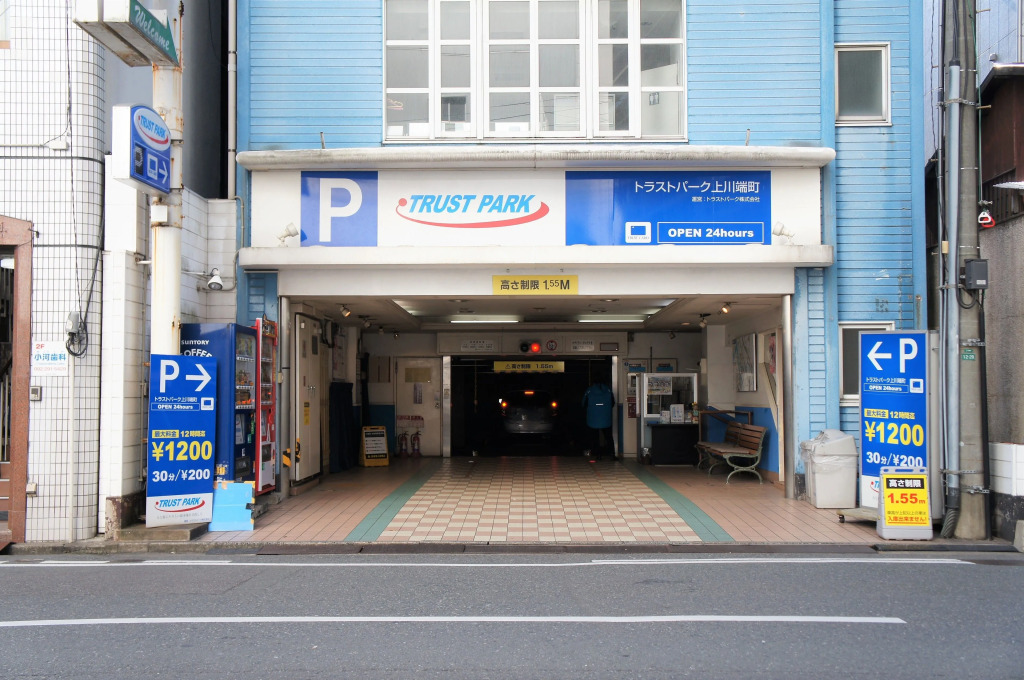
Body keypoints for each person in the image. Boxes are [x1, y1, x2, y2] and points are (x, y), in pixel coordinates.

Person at [582, 379, 615, 460]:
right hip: (606, 417)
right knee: (608, 436)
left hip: (593, 418)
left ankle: (598, 454)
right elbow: (613, 403)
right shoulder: (608, 390)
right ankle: (612, 454)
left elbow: (584, 403)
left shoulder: (589, 390)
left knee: (595, 437)